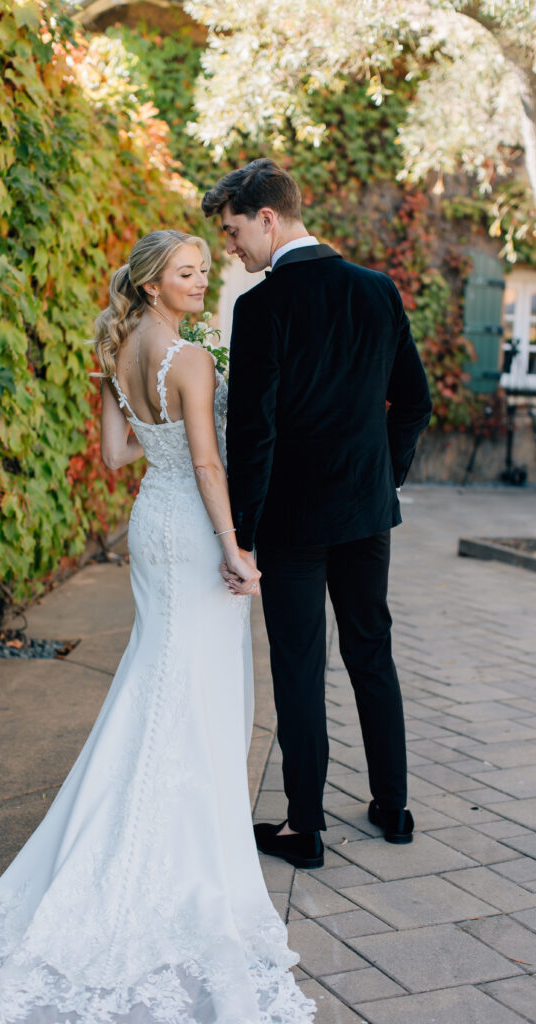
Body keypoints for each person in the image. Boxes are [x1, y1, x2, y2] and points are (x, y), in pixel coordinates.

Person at [0, 230, 315, 1024]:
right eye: (186, 273)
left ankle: (126, 829)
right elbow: (208, 466)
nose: (202, 281)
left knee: (156, 678)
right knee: (193, 691)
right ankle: (172, 853)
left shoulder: (117, 346)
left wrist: (155, 430)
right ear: (154, 282)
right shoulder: (192, 360)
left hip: (150, 525)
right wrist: (235, 549)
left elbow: (113, 453)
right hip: (196, 530)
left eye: (205, 270)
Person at [202, 160, 433, 870]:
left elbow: (253, 431)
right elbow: (415, 402)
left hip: (292, 522)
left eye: (234, 232)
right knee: (371, 652)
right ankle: (391, 808)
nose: (231, 250)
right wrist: (381, 482)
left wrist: (239, 531)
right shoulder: (377, 290)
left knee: (300, 668)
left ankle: (304, 828)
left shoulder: (263, 306)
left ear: (267, 218)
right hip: (365, 513)